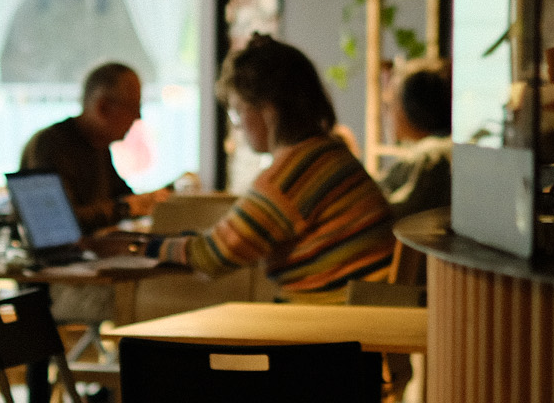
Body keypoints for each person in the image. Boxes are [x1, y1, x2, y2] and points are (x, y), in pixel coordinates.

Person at [152, 34, 394, 298]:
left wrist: (138, 248)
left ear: (269, 111)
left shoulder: (290, 177)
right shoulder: (329, 154)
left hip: (334, 324)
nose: (237, 126)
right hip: (363, 311)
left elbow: (213, 256)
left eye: (238, 110)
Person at [18, 62, 169, 232]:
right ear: (102, 107)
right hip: (64, 258)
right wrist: (127, 208)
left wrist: (167, 194)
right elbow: (57, 222)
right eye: (133, 107)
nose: (138, 116)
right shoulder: (49, 146)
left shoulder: (98, 144)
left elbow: (122, 196)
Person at [378, 61, 452, 221]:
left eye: (391, 104)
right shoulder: (439, 151)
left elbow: (385, 217)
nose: (387, 113)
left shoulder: (431, 157)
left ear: (411, 107)